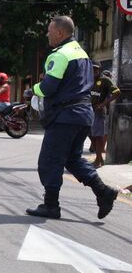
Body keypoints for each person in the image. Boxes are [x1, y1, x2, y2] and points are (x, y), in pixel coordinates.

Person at [26, 16, 118, 220]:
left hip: (64, 116)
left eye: (50, 30)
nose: (47, 34)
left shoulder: (59, 55)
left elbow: (49, 87)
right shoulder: (81, 53)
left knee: (50, 160)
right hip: (84, 115)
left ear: (60, 33)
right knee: (72, 159)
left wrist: (31, 90)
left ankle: (51, 205)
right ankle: (103, 191)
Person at [89, 63, 121, 167]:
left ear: (100, 70)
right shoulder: (88, 80)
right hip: (88, 112)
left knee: (98, 136)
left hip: (99, 113)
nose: (95, 72)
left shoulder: (105, 80)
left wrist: (103, 104)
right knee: (90, 135)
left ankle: (98, 161)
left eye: (96, 69)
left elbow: (117, 92)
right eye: (93, 69)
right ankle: (100, 158)